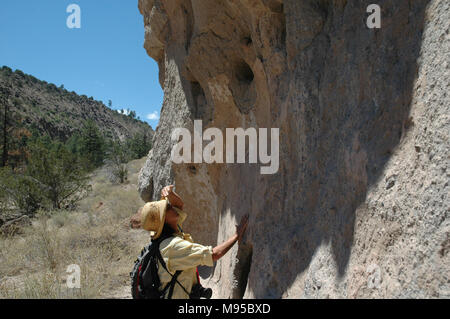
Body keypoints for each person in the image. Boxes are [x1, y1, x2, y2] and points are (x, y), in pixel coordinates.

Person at [133, 185, 249, 299]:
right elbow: (214, 254)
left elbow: (179, 205)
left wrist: (171, 195)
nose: (171, 206)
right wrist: (236, 236)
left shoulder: (166, 235)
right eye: (167, 208)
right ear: (164, 220)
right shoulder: (173, 246)